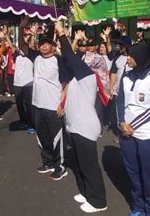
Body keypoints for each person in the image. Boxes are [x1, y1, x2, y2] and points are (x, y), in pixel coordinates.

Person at [54, 21, 107, 213]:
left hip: (85, 127)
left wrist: (61, 33)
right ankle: (86, 192)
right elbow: (68, 60)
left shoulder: (87, 76)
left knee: (89, 166)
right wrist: (67, 40)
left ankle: (99, 201)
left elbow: (70, 56)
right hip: (75, 127)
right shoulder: (76, 78)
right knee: (80, 164)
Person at [18, 18, 69, 181]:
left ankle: (60, 166)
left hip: (54, 106)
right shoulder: (36, 57)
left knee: (57, 138)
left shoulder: (59, 60)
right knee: (42, 136)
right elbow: (22, 46)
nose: (43, 46)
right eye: (41, 44)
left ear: (53, 46)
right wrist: (21, 28)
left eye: (47, 43)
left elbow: (66, 83)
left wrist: (62, 104)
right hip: (37, 105)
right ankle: (47, 162)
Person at [116, 43, 150, 216]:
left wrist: (132, 126)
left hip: (148, 134)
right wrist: (122, 123)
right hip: (126, 132)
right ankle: (138, 206)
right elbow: (120, 101)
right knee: (133, 172)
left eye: (131, 55)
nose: (127, 58)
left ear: (141, 58)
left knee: (149, 174)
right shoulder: (126, 76)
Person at [5, 25, 34, 134]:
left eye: (24, 48)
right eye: (21, 48)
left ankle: (30, 124)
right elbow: (12, 46)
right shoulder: (16, 55)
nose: (22, 50)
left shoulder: (30, 56)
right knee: (19, 104)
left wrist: (32, 34)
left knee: (29, 105)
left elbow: (31, 44)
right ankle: (23, 121)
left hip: (29, 84)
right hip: (18, 84)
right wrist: (6, 35)